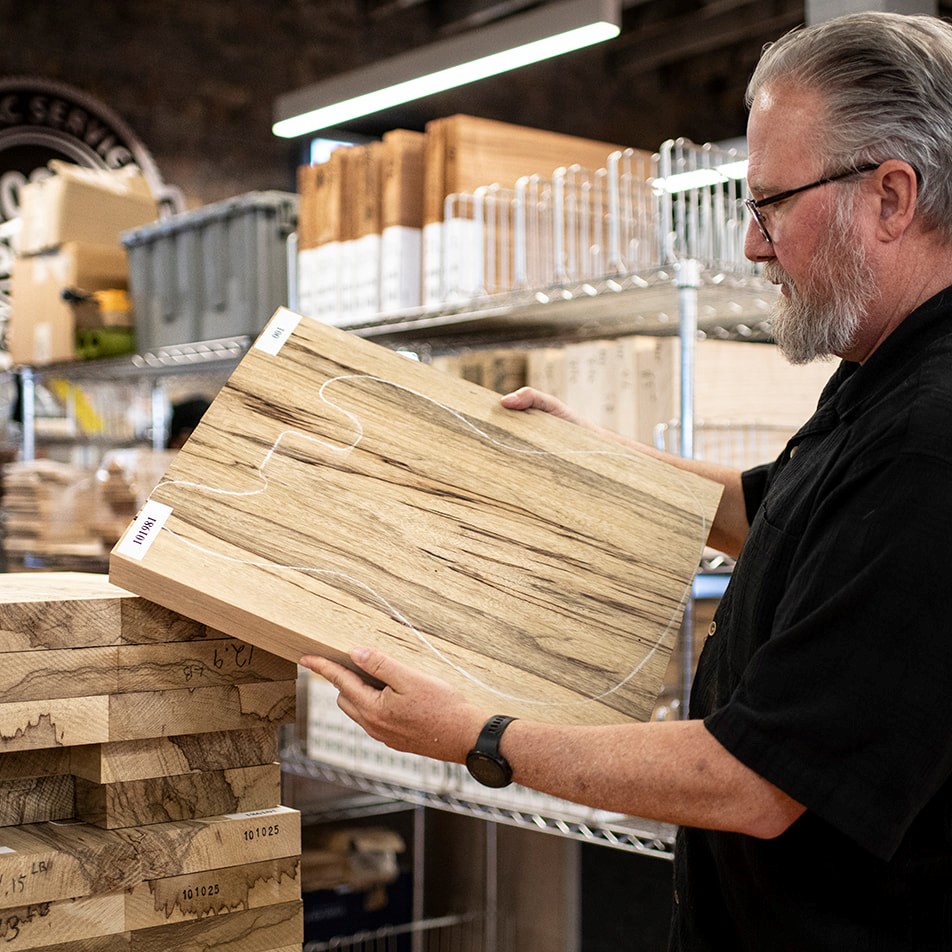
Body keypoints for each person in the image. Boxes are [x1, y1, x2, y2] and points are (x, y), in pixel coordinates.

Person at [300, 11, 952, 949]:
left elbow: (757, 780)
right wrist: (598, 462)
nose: (752, 248)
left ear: (892, 197)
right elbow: (775, 513)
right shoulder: (882, 370)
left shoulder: (935, 438)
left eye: (770, 205)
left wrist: (481, 736)